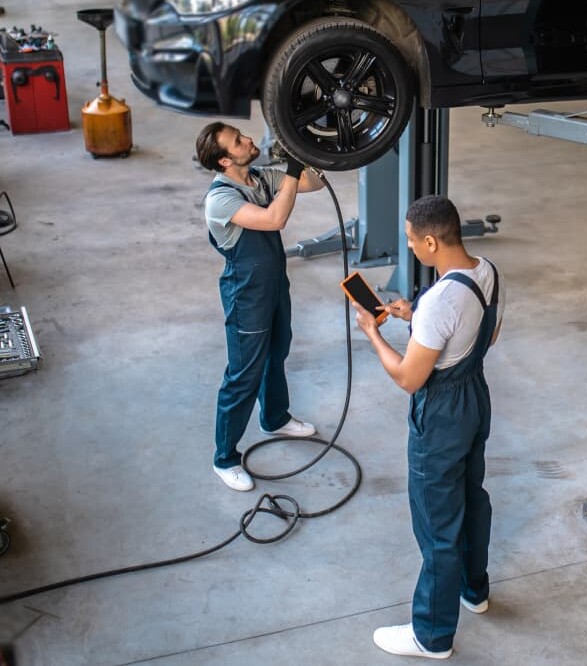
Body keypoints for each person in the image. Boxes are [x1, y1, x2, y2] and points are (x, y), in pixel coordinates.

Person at [352, 195, 505, 659]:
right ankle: (473, 591)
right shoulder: (486, 271)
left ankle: (431, 635)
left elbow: (408, 377)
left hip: (441, 414)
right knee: (470, 498)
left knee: (438, 524)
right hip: (475, 398)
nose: (411, 248)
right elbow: (485, 335)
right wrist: (413, 315)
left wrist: (374, 333)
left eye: (412, 241)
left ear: (432, 241)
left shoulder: (440, 300)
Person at [196, 122, 325, 492]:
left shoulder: (260, 177)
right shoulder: (221, 198)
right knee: (243, 374)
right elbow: (274, 219)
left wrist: (306, 152)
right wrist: (293, 171)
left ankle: (275, 417)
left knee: (277, 352)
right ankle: (225, 458)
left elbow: (313, 184)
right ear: (224, 160)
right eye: (238, 142)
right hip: (246, 293)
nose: (249, 140)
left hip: (273, 285)